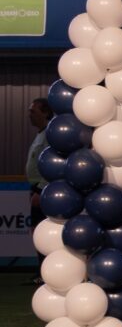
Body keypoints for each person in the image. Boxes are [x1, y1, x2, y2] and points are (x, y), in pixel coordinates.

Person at [26, 98, 53, 282]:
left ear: (45, 113)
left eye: (33, 111)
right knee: (36, 231)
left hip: (43, 189)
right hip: (36, 187)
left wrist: (41, 190)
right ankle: (42, 272)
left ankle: (46, 273)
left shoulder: (50, 134)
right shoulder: (40, 134)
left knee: (42, 232)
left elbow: (51, 163)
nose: (29, 115)